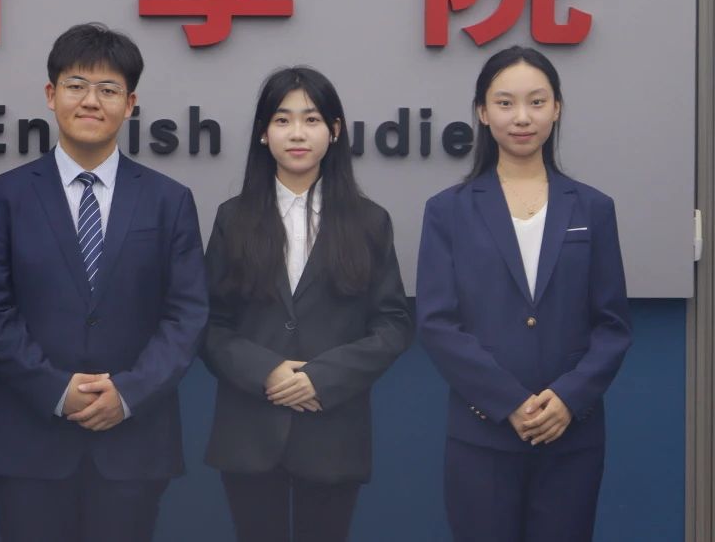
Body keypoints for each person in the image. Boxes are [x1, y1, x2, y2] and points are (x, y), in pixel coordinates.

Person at [0, 22, 208, 542]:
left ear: (131, 103)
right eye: (76, 86)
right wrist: (55, 389)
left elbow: (186, 313)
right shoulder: (3, 197)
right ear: (51, 94)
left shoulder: (169, 200)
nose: (91, 101)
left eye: (108, 89)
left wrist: (129, 392)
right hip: (29, 441)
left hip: (134, 442)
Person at [416, 45, 632, 542]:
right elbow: (437, 322)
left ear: (556, 109)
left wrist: (569, 398)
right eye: (505, 103)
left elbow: (613, 325)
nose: (521, 118)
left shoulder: (593, 208)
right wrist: (508, 400)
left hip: (571, 436)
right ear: (482, 111)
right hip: (482, 435)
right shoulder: (448, 210)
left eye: (536, 102)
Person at [200, 66, 412, 542]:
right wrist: (267, 372)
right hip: (250, 431)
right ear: (263, 133)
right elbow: (209, 322)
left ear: (334, 131)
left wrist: (323, 377)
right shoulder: (233, 218)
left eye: (311, 119)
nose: (297, 133)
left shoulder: (369, 221)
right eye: (283, 120)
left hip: (333, 430)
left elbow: (393, 324)